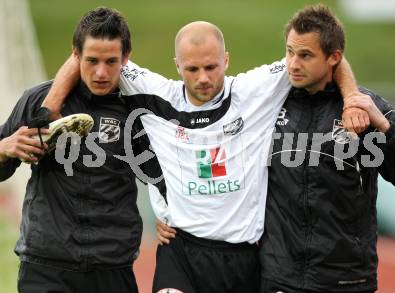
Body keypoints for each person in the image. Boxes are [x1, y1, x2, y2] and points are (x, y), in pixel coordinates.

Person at [41, 19, 370, 292]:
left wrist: (352, 97)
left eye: (211, 67)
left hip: (244, 258)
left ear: (226, 59)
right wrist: (50, 107)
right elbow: (87, 52)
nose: (203, 78)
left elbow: (325, 55)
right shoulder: (153, 92)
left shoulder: (256, 90)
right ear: (177, 66)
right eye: (192, 68)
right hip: (181, 252)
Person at [258, 5, 395, 293]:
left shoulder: (365, 112)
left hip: (346, 280)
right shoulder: (269, 103)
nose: (293, 64)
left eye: (305, 55)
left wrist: (386, 129)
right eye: (289, 52)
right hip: (279, 279)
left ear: (334, 58)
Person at [0, 7, 142, 293]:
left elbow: (164, 174)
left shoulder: (139, 110)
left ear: (126, 58)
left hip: (112, 265)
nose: (101, 72)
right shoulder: (37, 100)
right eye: (91, 60)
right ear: (75, 55)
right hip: (46, 265)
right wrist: (3, 149)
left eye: (111, 61)